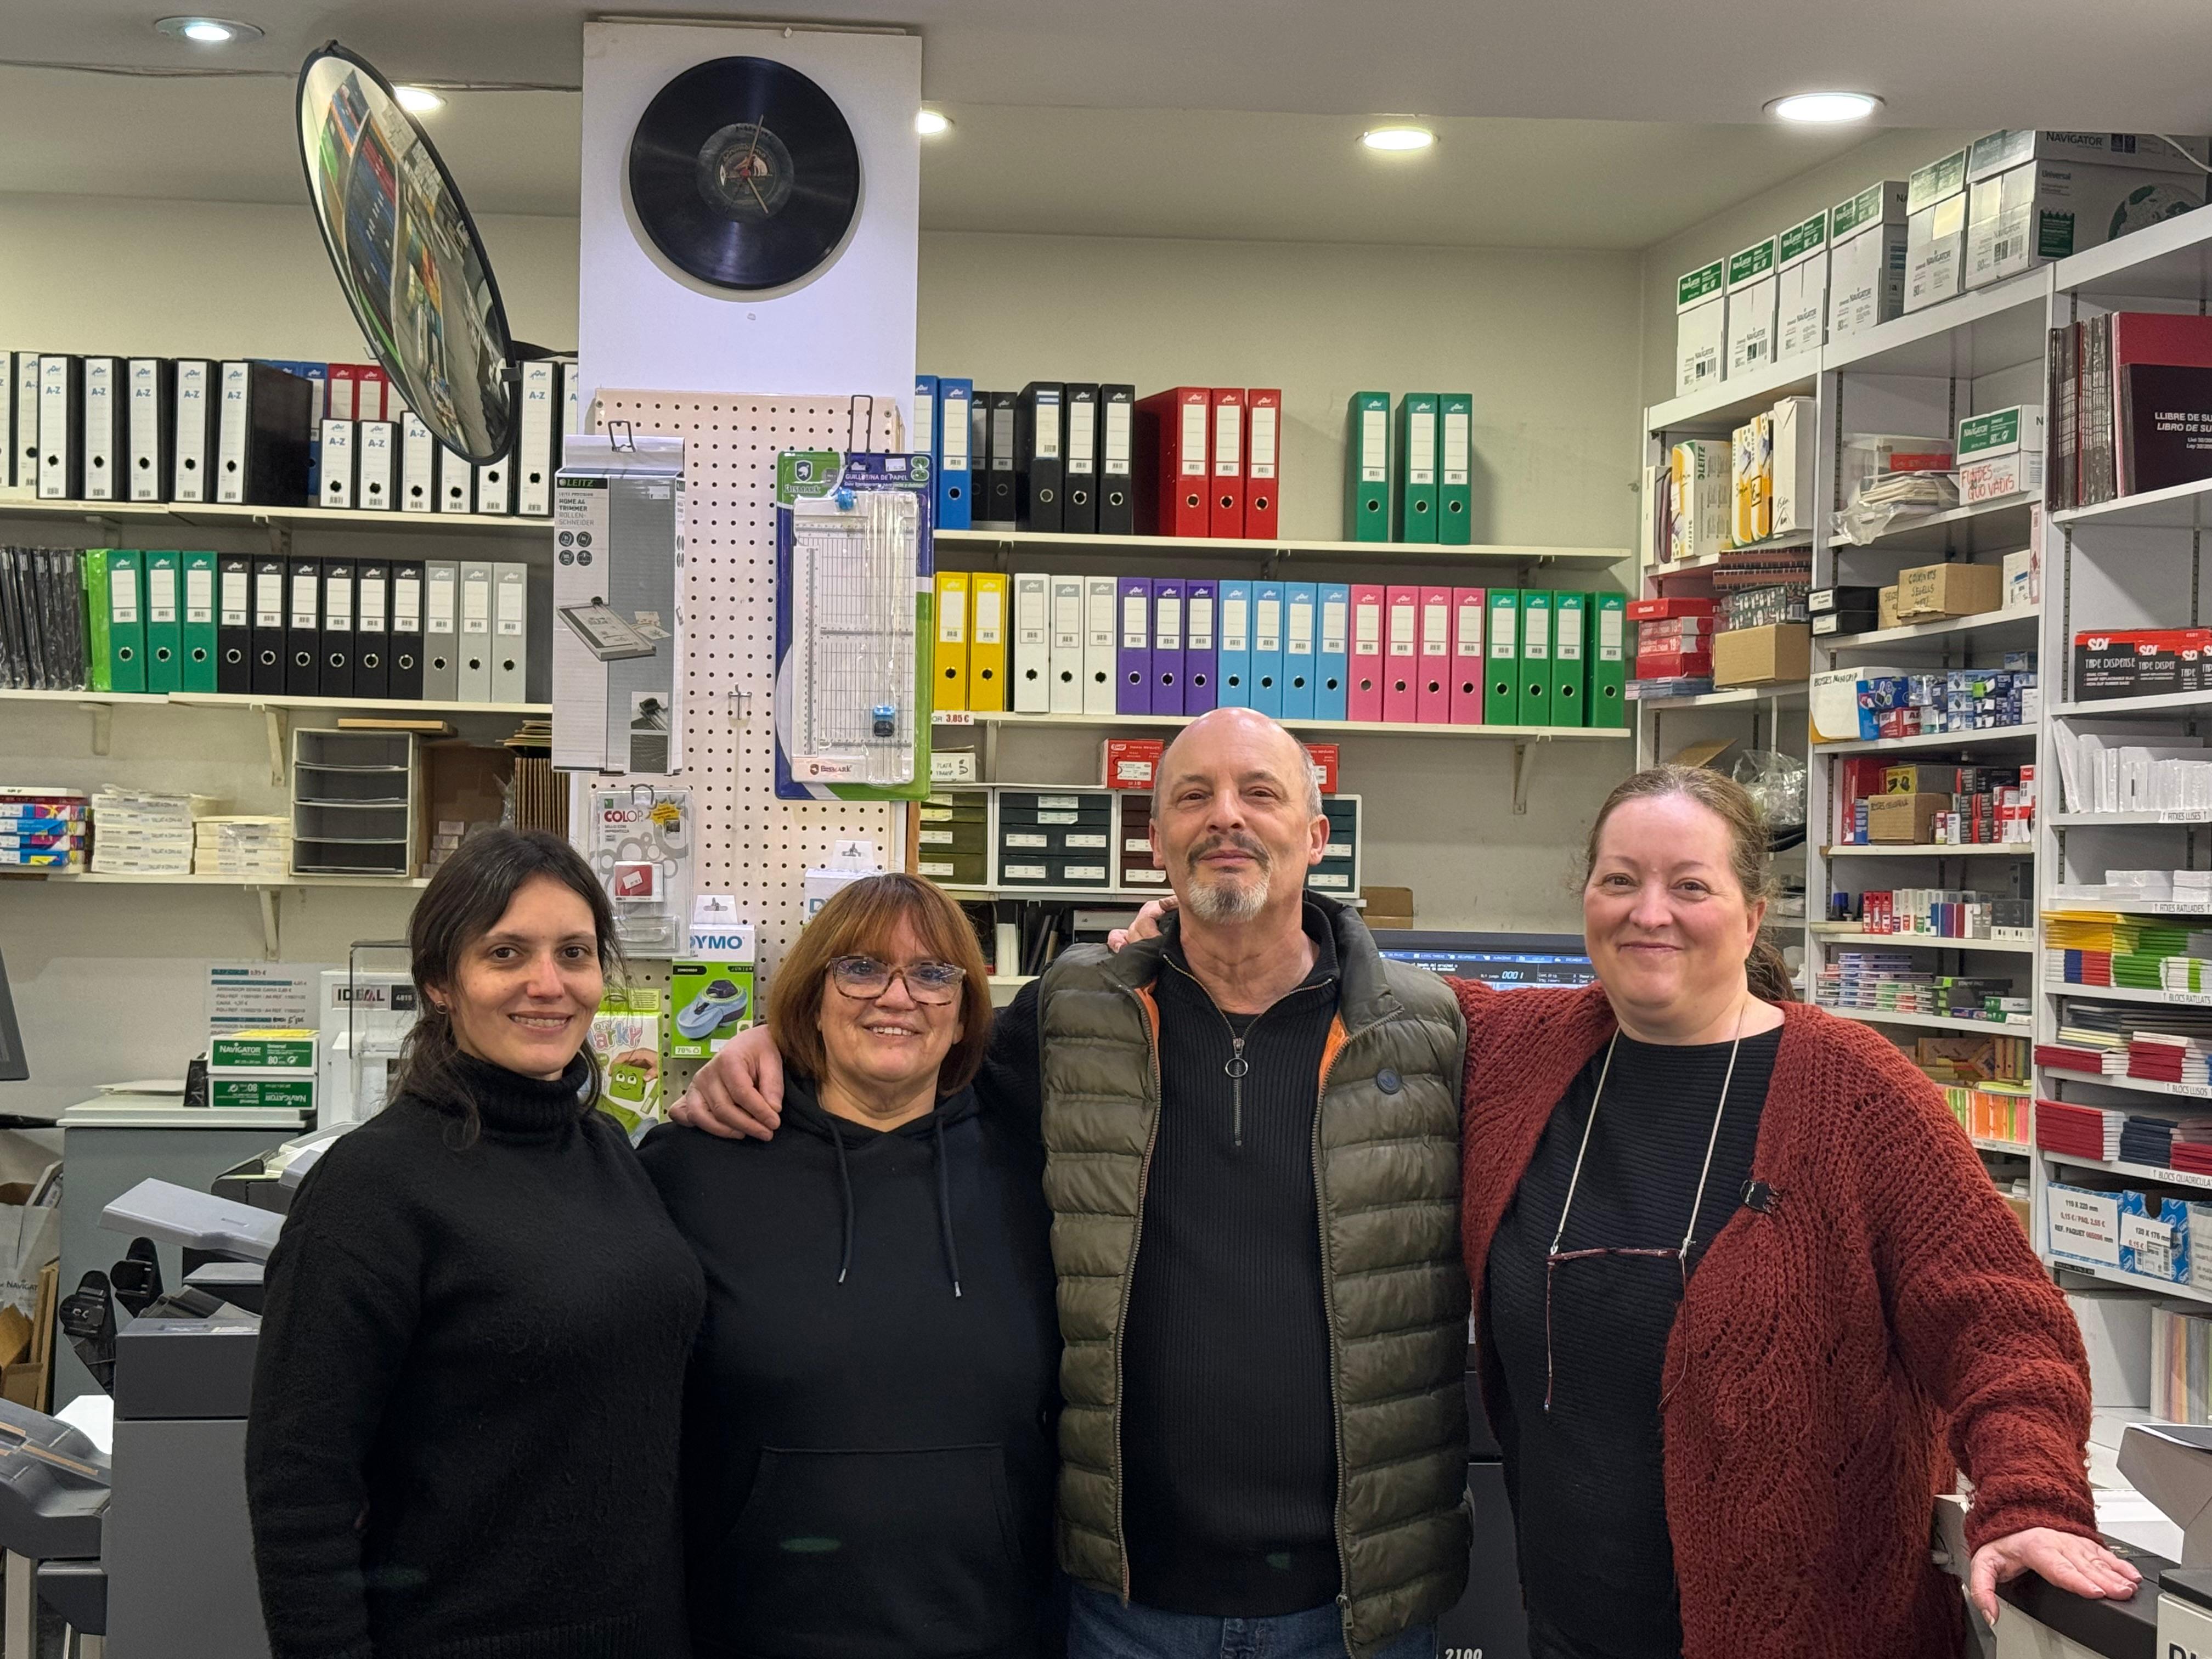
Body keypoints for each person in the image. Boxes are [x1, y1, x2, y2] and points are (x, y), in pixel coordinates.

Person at [675, 707, 1469, 1659]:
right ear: (1155, 841)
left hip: (1358, 1610)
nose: (1226, 815)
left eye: (1259, 793)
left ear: (1316, 835)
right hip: (1127, 1605)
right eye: (1193, 796)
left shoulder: (1432, 1030)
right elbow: (917, 1049)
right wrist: (773, 1039)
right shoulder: (1078, 1012)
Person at [1451, 764, 2128, 1658]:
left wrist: (2033, 1498)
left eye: (1690, 886)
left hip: (1813, 1635)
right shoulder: (1520, 1052)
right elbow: (1346, 983)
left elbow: (2003, 1325)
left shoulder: (1856, 1092)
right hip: (1571, 1629)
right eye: (1619, 879)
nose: (1649, 912)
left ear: (1752, 915)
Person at [245, 827, 706, 1659]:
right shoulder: (374, 1186)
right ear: (439, 982)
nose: (548, 984)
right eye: (505, 953)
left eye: (574, 953)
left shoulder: (608, 1153)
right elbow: (300, 1486)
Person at [635, 873, 1062, 1658]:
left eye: (932, 974)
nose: (898, 997)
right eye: (861, 968)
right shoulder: (691, 1171)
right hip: (755, 1631)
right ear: (810, 998)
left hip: (993, 1630)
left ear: (967, 1013)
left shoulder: (1036, 1176)